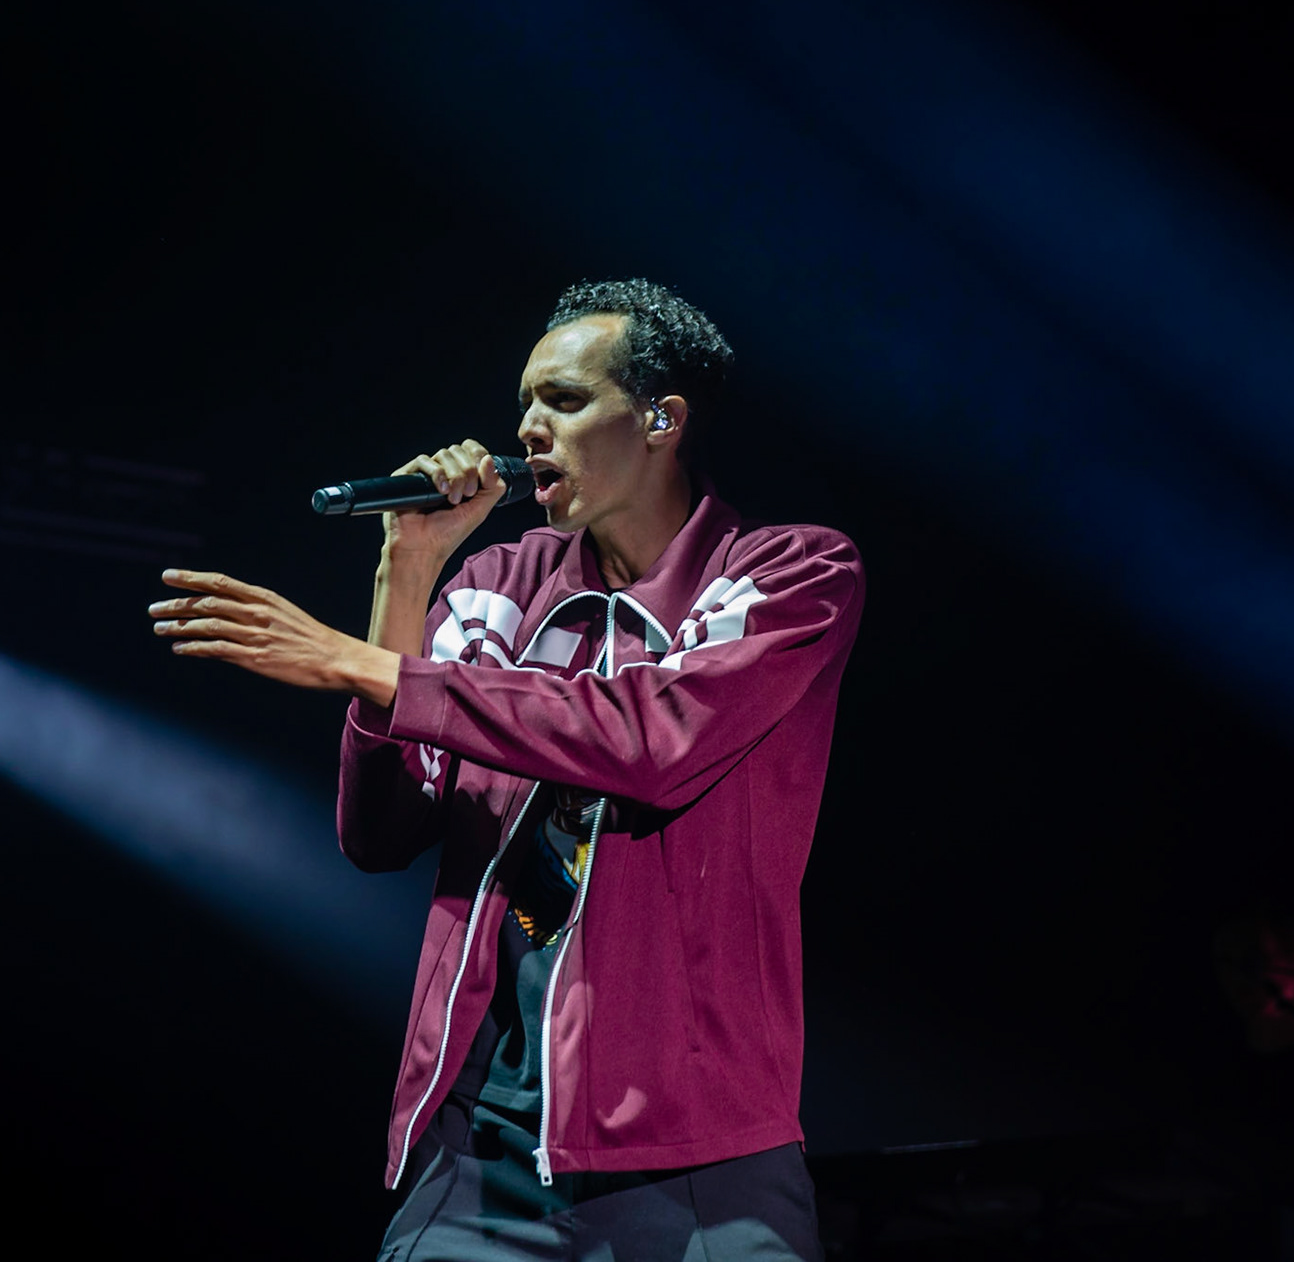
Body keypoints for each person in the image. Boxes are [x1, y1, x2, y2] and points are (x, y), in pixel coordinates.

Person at [149, 279, 863, 1259]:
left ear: (662, 417)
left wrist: (363, 665)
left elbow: (654, 740)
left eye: (564, 400)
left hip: (704, 1170)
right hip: (477, 1160)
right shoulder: (495, 585)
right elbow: (382, 832)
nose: (527, 425)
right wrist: (406, 573)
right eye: (525, 399)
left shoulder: (790, 574)